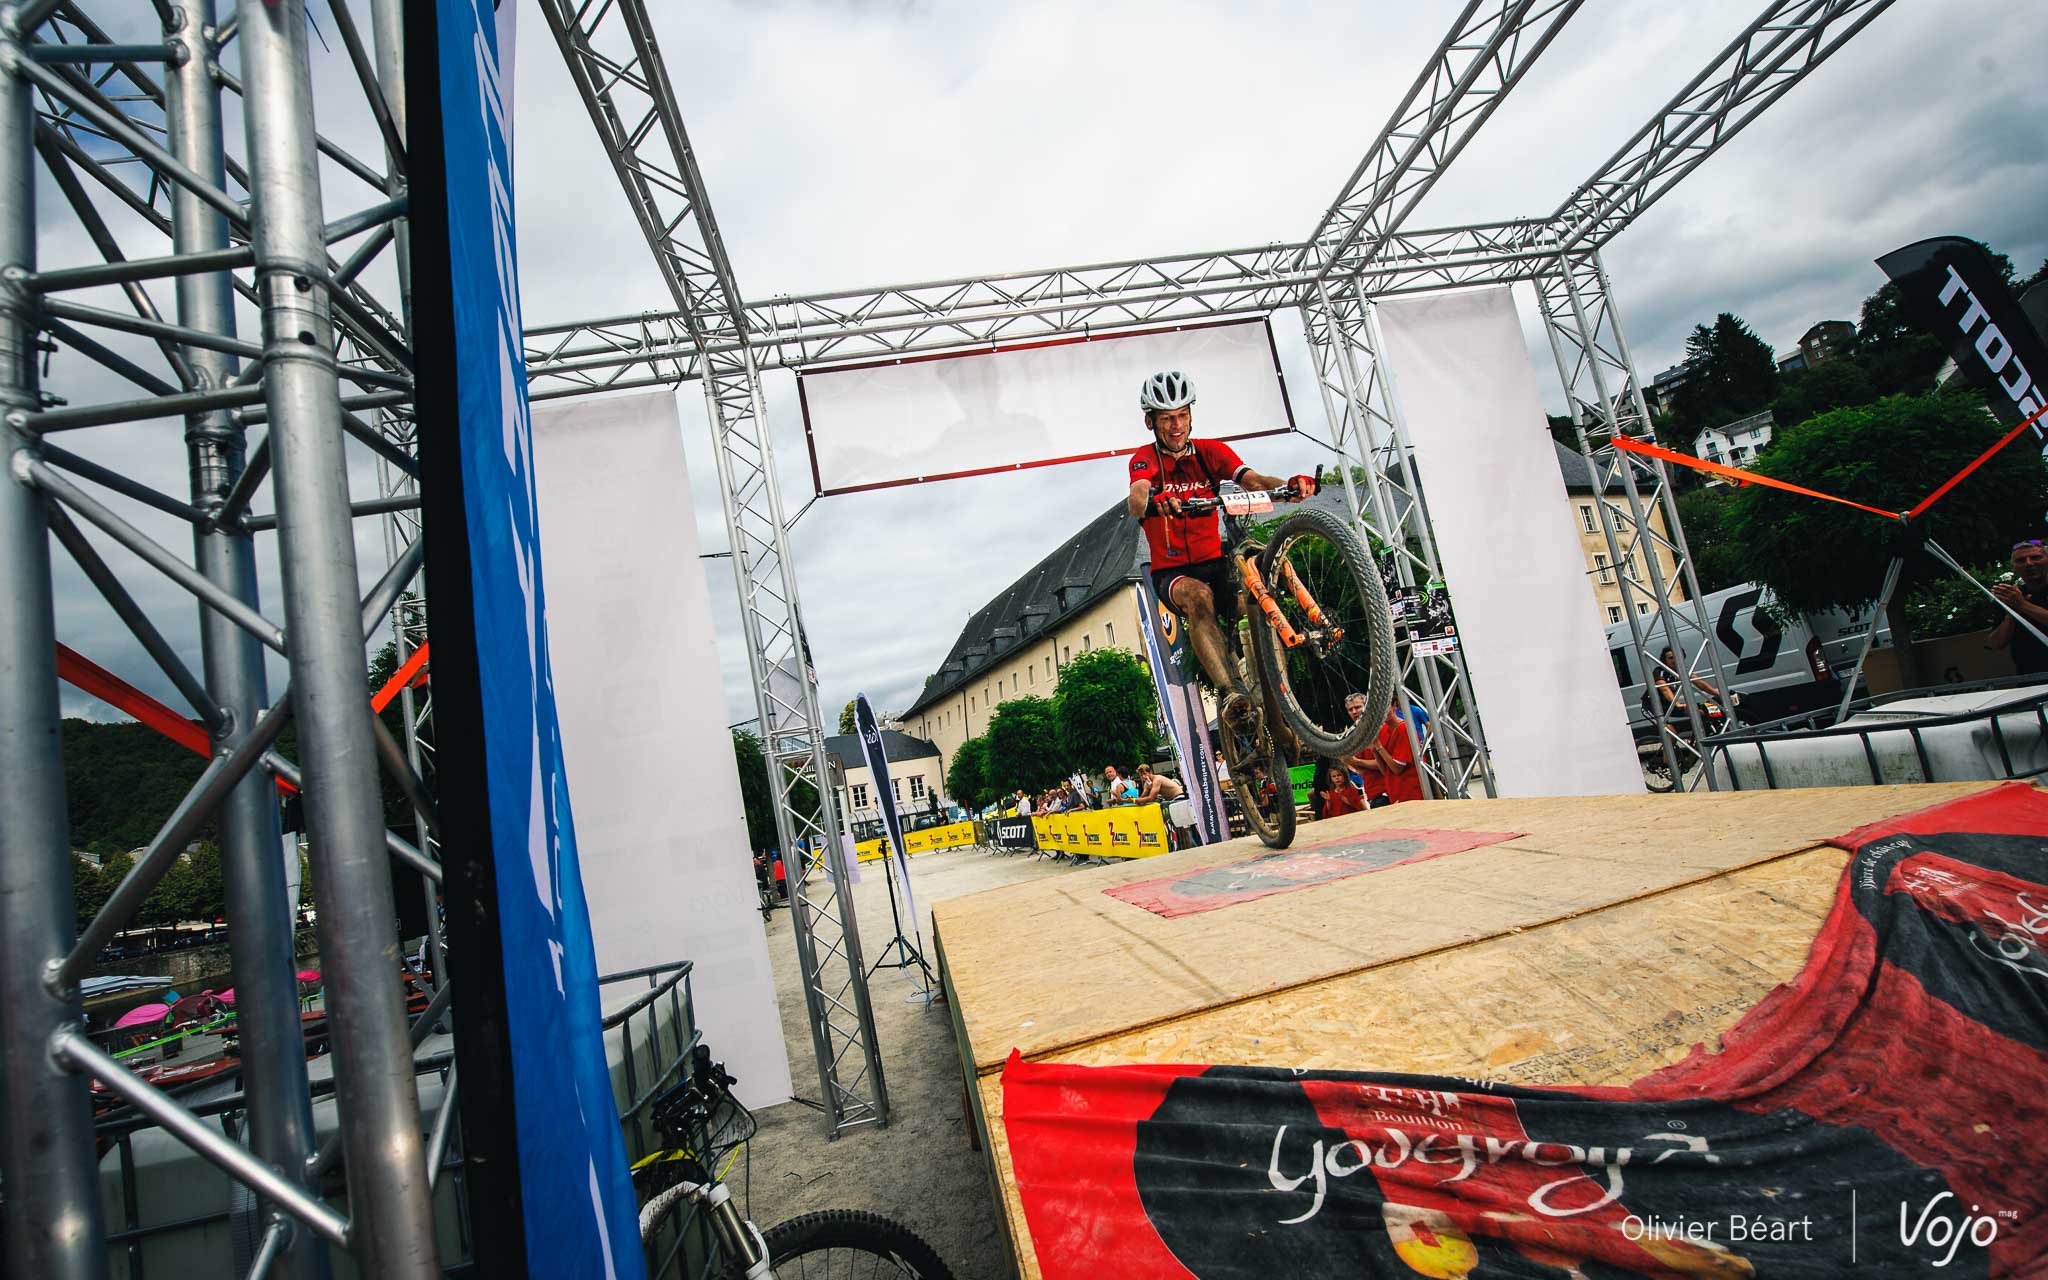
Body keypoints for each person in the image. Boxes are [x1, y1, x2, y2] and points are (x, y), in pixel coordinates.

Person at [1126, 371, 1318, 724]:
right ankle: (1230, 692)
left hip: (1216, 561)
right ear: (1150, 421)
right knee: (1198, 598)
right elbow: (1137, 497)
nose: (1176, 425)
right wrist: (1156, 498)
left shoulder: (1211, 452)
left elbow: (1254, 481)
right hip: (1174, 572)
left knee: (1254, 593)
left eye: (1182, 415)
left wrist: (1290, 485)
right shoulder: (1145, 458)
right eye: (1167, 418)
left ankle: (1274, 681)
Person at [1988, 539, 2048, 675]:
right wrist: (2012, 613)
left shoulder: (2017, 599)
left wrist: (2023, 605)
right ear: (2014, 567)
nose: (2029, 563)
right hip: (2028, 679)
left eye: (2036, 557)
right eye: (2021, 560)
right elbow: (1996, 644)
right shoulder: (2010, 596)